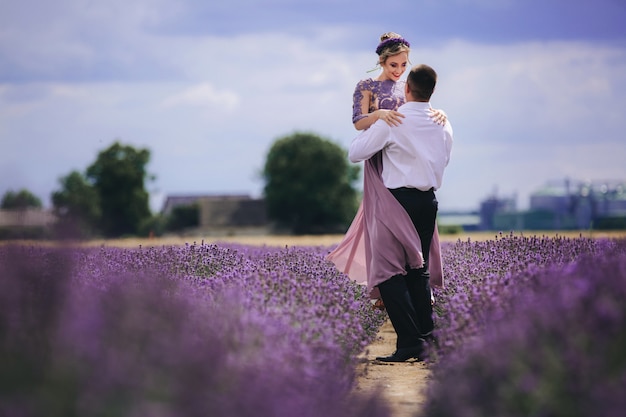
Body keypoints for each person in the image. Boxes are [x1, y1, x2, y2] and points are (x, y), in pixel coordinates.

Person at [327, 32, 446, 311]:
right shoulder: (366, 85)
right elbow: (357, 122)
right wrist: (379, 114)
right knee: (382, 228)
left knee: (413, 228)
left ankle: (419, 284)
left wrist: (439, 113)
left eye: (404, 65)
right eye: (394, 65)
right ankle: (386, 287)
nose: (399, 71)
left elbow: (418, 111)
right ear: (381, 61)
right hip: (377, 160)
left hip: (403, 159)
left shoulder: (407, 86)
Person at [346, 63, 453, 362]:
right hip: (428, 202)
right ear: (432, 90)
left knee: (388, 272)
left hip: (396, 202)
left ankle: (408, 342)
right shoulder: (443, 122)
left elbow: (356, 153)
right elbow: (445, 159)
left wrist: (377, 117)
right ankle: (427, 339)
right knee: (418, 270)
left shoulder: (395, 120)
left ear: (406, 88)